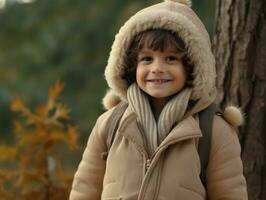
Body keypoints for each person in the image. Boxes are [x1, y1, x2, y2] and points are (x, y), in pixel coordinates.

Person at [69, 0, 248, 199]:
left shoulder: (213, 129)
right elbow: (84, 190)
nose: (157, 68)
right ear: (131, 65)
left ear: (191, 67)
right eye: (147, 59)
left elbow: (229, 194)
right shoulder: (110, 124)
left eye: (171, 59)